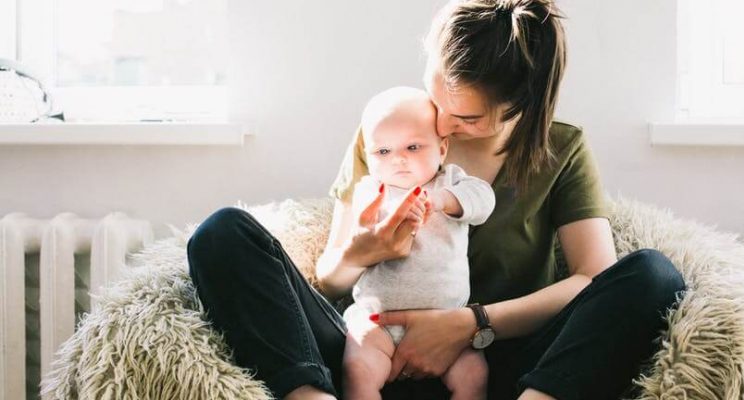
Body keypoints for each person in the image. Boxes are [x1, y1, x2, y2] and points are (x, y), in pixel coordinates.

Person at [186, 0, 686, 399]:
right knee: (221, 235)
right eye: (436, 100)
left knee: (654, 276)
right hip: (368, 356)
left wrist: (471, 326)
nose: (442, 126)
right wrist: (363, 253)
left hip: (495, 366)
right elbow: (329, 282)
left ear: (522, 107)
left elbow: (591, 279)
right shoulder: (393, 135)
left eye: (467, 118)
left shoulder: (561, 150)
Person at [341, 86, 494, 400]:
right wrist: (370, 218)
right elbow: (361, 223)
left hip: (446, 324)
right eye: (382, 152)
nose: (398, 160)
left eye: (413, 147)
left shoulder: (449, 182)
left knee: (475, 374)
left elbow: (484, 201)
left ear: (442, 149)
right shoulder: (372, 188)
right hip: (377, 321)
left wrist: (441, 201)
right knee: (357, 370)